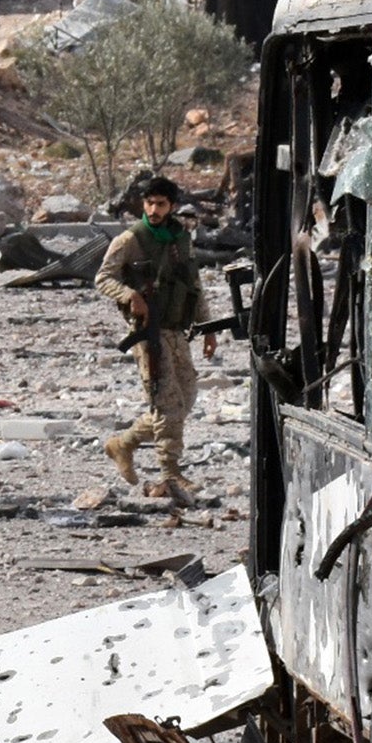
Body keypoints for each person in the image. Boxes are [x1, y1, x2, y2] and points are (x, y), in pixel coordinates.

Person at [95, 176, 216, 500]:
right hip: (149, 333)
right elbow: (103, 277)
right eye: (149, 203)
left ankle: (123, 444)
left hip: (177, 330)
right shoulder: (131, 239)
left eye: (160, 204)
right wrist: (129, 294)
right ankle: (171, 473)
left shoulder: (180, 237)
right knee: (167, 403)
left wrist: (208, 328)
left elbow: (194, 284)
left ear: (172, 206)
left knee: (185, 399)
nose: (153, 210)